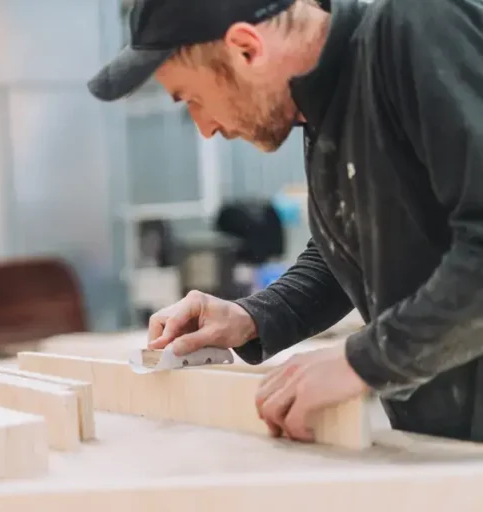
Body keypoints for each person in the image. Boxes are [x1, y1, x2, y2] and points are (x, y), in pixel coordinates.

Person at [87, 0, 483, 443]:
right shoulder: (329, 104)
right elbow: (357, 250)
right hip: (450, 453)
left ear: (246, 49)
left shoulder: (418, 28)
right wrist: (250, 316)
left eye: (192, 100)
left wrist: (362, 361)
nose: (205, 128)